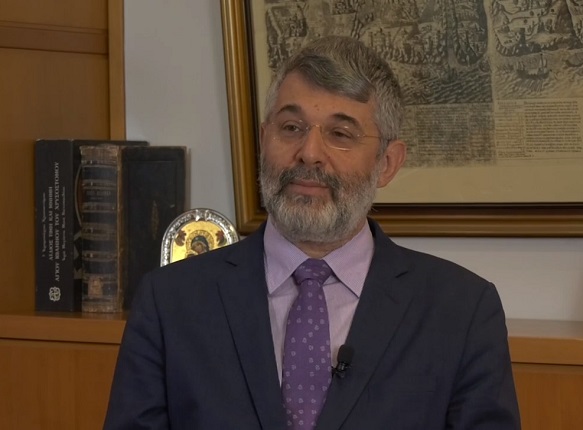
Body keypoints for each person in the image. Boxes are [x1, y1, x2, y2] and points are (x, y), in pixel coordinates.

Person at [104, 35, 521, 430]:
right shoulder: (171, 302)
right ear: (263, 139)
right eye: (291, 127)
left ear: (388, 163)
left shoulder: (460, 311)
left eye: (340, 134)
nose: (309, 153)